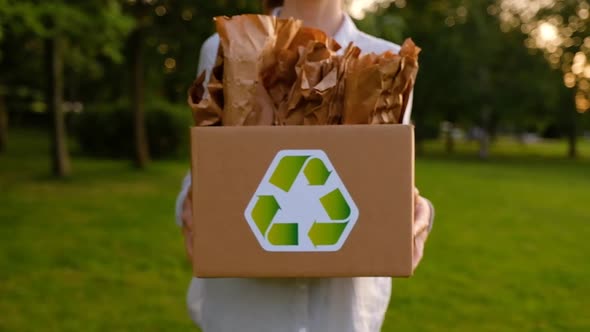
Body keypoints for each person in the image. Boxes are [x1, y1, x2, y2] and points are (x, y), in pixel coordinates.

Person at [176, 1, 435, 331]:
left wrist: (419, 214)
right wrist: (189, 204)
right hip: (245, 313)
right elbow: (208, 164)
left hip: (342, 315)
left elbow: (387, 174)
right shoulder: (226, 45)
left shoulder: (387, 59)